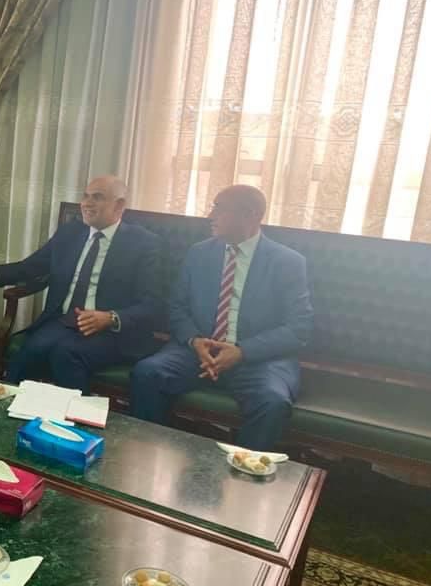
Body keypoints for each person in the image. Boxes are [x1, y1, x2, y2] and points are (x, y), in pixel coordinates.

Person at [129, 185, 313, 450]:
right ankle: (146, 456)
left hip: (258, 360)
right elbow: (177, 307)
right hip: (198, 352)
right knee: (148, 373)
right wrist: (195, 341)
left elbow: (298, 328)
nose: (210, 216)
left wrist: (242, 351)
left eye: (219, 208)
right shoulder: (199, 253)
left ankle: (244, 472)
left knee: (272, 401)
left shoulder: (287, 262)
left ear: (250, 214)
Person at [0, 176, 162, 394]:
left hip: (112, 333)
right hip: (63, 322)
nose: (87, 203)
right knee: (30, 351)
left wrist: (110, 317)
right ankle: (6, 408)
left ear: (119, 205)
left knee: (66, 353)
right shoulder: (70, 232)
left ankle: (73, 415)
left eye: (97, 197)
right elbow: (30, 267)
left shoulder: (144, 243)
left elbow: (153, 304)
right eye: (85, 196)